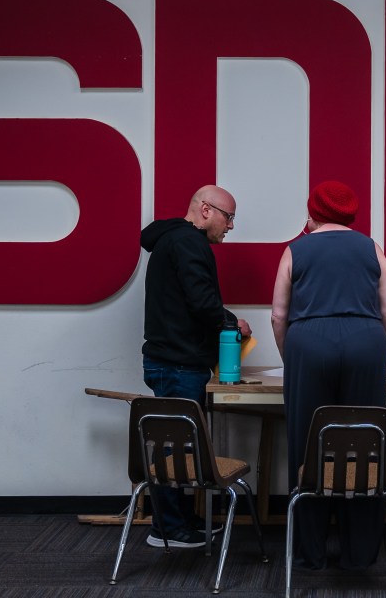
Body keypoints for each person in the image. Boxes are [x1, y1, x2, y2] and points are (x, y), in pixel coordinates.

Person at [270, 180, 386, 570]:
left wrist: (292, 356)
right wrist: (368, 339)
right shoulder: (371, 247)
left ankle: (311, 552)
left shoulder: (296, 249)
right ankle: (360, 553)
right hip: (365, 341)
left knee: (308, 442)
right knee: (364, 443)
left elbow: (279, 314)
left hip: (308, 342)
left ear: (312, 214)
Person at [140, 184, 252, 549]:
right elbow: (202, 301)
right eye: (228, 217)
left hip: (169, 361)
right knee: (175, 450)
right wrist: (234, 322)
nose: (231, 226)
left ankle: (180, 520)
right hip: (179, 364)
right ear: (206, 210)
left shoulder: (172, 240)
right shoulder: (189, 243)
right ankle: (168, 529)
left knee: (177, 446)